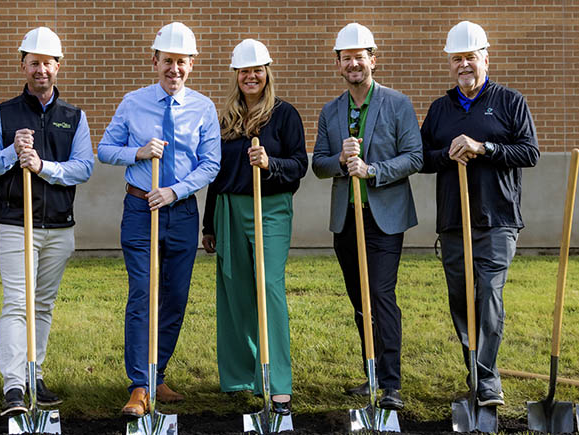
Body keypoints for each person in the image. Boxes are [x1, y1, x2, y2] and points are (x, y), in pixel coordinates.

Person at [97, 22, 221, 418]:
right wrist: (136, 152)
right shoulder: (133, 102)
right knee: (143, 294)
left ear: (191, 64)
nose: (175, 69)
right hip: (140, 209)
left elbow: (211, 163)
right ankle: (138, 386)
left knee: (175, 297)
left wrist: (176, 190)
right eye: (168, 61)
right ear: (155, 61)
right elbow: (105, 149)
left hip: (181, 211)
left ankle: (157, 373)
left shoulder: (204, 108)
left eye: (182, 62)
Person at [0, 26, 94, 416]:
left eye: (48, 63)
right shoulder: (2, 113)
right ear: (23, 65)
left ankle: (34, 375)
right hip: (16, 223)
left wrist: (42, 167)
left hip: (60, 224)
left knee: (42, 304)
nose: (41, 69)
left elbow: (84, 168)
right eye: (34, 63)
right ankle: (13, 385)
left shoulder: (73, 117)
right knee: (16, 304)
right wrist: (12, 152)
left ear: (59, 66)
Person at [420, 21, 539, 407]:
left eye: (470, 57)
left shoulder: (510, 102)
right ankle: (475, 368)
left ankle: (487, 381)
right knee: (460, 299)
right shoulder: (440, 109)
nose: (463, 65)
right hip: (453, 220)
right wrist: (448, 154)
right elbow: (423, 159)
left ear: (485, 58)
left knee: (488, 292)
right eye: (456, 59)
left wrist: (484, 147)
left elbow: (529, 152)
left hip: (497, 219)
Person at [311, 23, 422, 410]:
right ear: (338, 65)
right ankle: (371, 372)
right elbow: (319, 165)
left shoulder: (397, 103)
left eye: (361, 56)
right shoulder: (331, 111)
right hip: (347, 218)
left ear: (373, 59)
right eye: (347, 58)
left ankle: (391, 384)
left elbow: (415, 157)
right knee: (360, 299)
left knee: (380, 294)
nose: (354, 63)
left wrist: (372, 170)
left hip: (384, 218)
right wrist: (341, 162)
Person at [200, 39, 306, 415]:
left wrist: (270, 163)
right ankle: (241, 375)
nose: (251, 76)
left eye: (257, 70)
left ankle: (278, 383)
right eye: (244, 71)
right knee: (234, 290)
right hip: (229, 207)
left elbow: (299, 166)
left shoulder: (284, 114)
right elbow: (216, 174)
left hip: (271, 207)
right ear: (236, 75)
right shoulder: (224, 118)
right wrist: (209, 222)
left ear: (267, 73)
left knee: (269, 287)